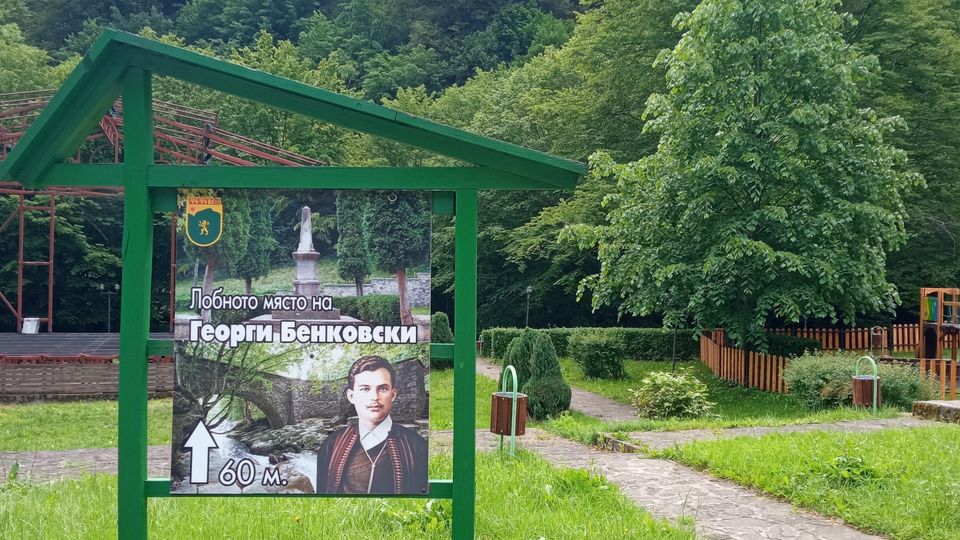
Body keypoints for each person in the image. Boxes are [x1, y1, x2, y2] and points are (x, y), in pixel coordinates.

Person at [316, 355, 428, 494]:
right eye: (365, 389)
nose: (374, 397)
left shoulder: (417, 446)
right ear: (351, 396)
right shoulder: (331, 445)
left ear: (393, 395)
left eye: (382, 389)